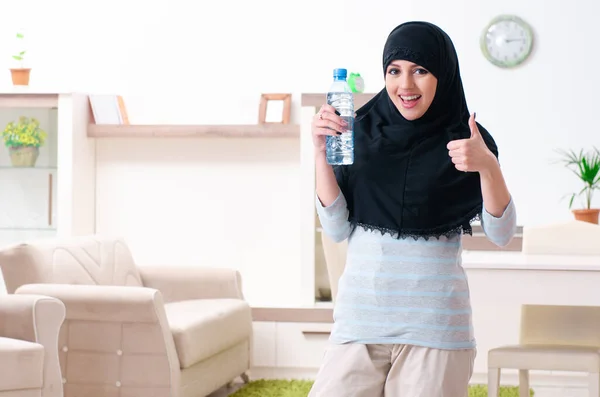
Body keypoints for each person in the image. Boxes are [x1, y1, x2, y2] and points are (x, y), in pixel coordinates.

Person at [308, 21, 517, 397]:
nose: (405, 85)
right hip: (359, 324)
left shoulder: (471, 142)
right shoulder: (359, 132)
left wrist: (487, 165)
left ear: (443, 74)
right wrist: (321, 154)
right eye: (395, 70)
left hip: (434, 332)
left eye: (420, 70)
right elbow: (337, 230)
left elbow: (501, 234)